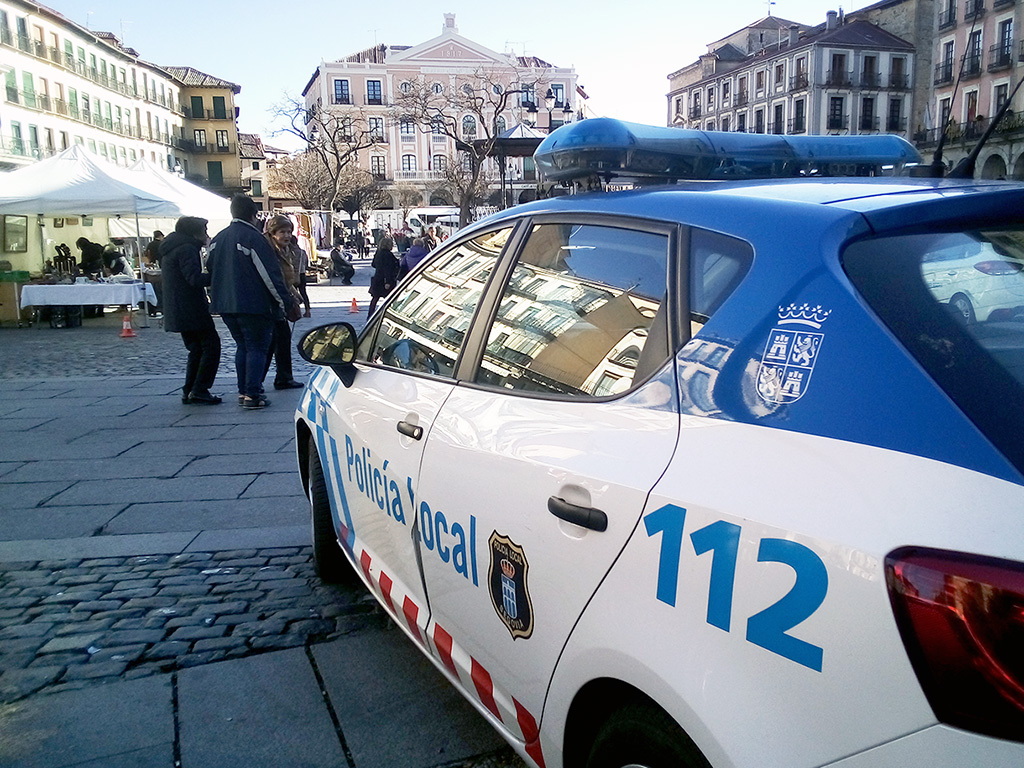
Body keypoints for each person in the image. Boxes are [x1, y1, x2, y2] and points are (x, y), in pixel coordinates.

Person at [207, 194, 301, 410]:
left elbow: (211, 269)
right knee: (257, 347)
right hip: (253, 303)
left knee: (243, 346)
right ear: (254, 215)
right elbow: (269, 275)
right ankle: (253, 393)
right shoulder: (254, 238)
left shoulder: (218, 238)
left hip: (225, 303)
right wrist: (285, 303)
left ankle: (243, 391)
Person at [159, 217, 221, 405]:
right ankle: (200, 389)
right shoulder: (187, 248)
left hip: (179, 308)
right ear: (194, 232)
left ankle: (191, 389)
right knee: (211, 346)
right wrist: (216, 275)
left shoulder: (173, 247)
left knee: (196, 349)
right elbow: (193, 278)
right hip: (190, 308)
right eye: (204, 230)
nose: (206, 234)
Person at [261, 215, 305, 391]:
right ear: (273, 233)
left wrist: (294, 295)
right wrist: (286, 299)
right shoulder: (268, 251)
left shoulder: (285, 250)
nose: (286, 235)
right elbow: (274, 279)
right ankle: (257, 382)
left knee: (282, 339)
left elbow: (287, 280)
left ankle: (283, 377)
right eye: (282, 232)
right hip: (271, 302)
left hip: (281, 298)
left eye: (288, 231)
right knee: (270, 343)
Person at [368, 236, 399, 315]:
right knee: (390, 299)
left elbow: (373, 264)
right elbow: (388, 269)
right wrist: (388, 281)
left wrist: (379, 267)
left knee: (375, 298)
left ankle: (370, 314)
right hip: (386, 279)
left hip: (378, 278)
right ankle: (388, 314)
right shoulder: (388, 255)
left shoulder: (378, 253)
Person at [291, 234, 312, 318]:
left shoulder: (289, 252)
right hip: (302, 274)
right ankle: (307, 310)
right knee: (303, 292)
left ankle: (297, 311)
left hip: (292, 274)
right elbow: (307, 264)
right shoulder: (302, 252)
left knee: (294, 293)